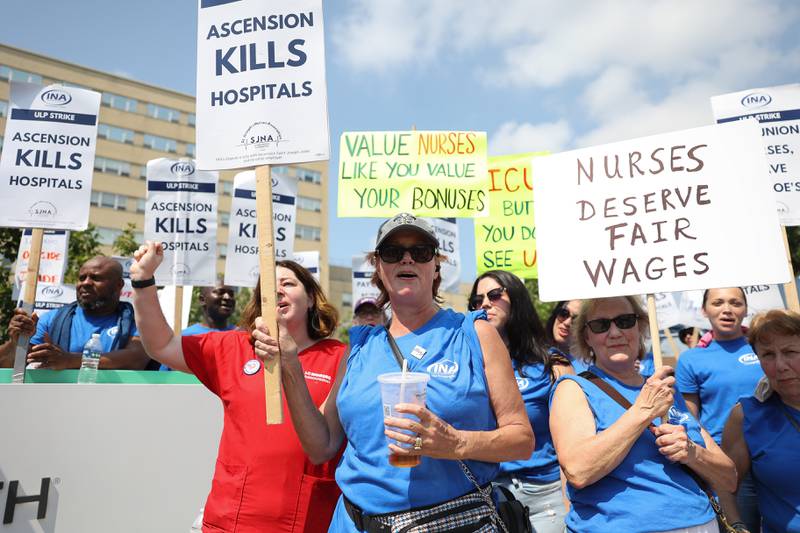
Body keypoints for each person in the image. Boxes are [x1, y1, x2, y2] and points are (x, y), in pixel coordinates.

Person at [253, 213, 533, 532]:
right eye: (392, 252)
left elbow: (521, 440)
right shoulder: (359, 346)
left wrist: (458, 442)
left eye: (421, 251)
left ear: (436, 266)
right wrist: (289, 364)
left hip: (450, 523)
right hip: (354, 523)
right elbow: (322, 446)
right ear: (378, 268)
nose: (407, 258)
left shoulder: (474, 333)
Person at [130, 242, 346, 533]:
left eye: (288, 283)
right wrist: (143, 283)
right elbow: (161, 346)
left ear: (310, 298)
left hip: (307, 518)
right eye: (268, 287)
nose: (277, 290)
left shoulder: (342, 357)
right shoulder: (233, 347)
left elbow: (331, 441)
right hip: (233, 518)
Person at [550, 296, 736, 532]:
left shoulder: (665, 389)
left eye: (625, 321)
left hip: (700, 523)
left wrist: (691, 453)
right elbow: (579, 471)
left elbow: (729, 478)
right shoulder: (574, 388)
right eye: (601, 325)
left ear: (641, 327)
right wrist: (643, 412)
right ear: (587, 337)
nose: (615, 332)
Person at [468, 270, 571, 532]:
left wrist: (570, 502)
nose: (485, 304)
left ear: (517, 300)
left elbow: (571, 443)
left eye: (494, 295)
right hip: (487, 496)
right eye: (477, 300)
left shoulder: (553, 365)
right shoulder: (466, 366)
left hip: (546, 496)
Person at [676, 287, 763, 532]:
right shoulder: (691, 359)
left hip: (773, 453)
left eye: (735, 302)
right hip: (726, 465)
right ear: (704, 310)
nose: (727, 309)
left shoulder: (765, 348)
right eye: (718, 303)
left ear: (746, 309)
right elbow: (689, 419)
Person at [718, 310, 800, 533]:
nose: (780, 365)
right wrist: (735, 525)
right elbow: (725, 484)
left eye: (790, 351)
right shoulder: (745, 416)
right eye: (768, 355)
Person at [0, 256, 152, 370]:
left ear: (119, 285)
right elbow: (10, 364)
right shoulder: (51, 319)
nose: (86, 283)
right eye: (82, 278)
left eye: (96, 278)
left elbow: (137, 358)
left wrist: (69, 360)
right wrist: (17, 342)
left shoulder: (136, 321)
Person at [160, 281, 237, 371]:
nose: (227, 297)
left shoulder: (243, 337)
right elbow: (166, 378)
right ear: (202, 300)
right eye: (220, 292)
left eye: (231, 294)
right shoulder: (183, 338)